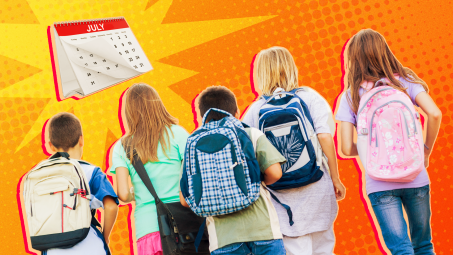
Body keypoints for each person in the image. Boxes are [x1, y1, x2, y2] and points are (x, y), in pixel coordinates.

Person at [336, 29, 441, 254]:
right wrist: (425, 150)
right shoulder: (404, 81)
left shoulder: (351, 95)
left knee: (401, 249)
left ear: (353, 59)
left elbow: (344, 148)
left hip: (379, 182)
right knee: (423, 245)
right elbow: (434, 114)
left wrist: (372, 148)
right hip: (416, 176)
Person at [242, 46, 345, 255]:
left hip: (282, 201)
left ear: (260, 74)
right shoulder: (310, 97)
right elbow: (324, 136)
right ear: (291, 68)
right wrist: (335, 178)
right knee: (324, 249)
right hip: (317, 190)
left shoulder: (254, 110)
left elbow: (247, 156)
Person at [180, 85, 287, 255]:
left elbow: (185, 200)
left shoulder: (192, 146)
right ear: (236, 112)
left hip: (223, 239)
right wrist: (256, 181)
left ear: (202, 117)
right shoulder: (250, 134)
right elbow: (275, 172)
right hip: (263, 229)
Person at [110, 83, 190, 255]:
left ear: (129, 112)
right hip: (184, 223)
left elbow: (123, 194)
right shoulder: (178, 133)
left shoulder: (121, 147)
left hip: (148, 228)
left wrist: (134, 192)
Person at [44, 112, 119, 255]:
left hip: (53, 248)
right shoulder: (91, 172)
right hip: (90, 246)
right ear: (81, 140)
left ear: (51, 146)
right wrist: (105, 236)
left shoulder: (40, 177)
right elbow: (111, 207)